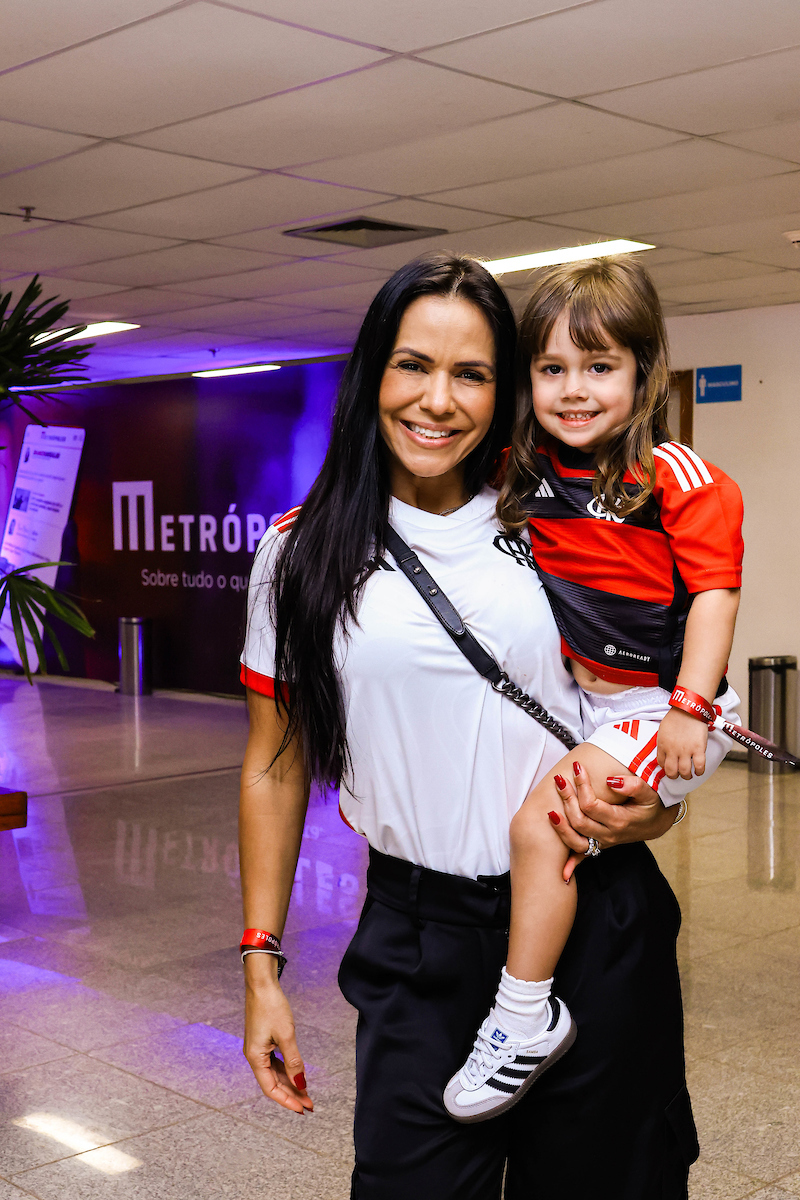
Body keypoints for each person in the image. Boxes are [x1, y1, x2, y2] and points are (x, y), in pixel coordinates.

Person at [238, 252, 696, 1200]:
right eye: (414, 365)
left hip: (592, 919)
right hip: (419, 940)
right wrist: (261, 965)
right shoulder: (299, 552)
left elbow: (642, 695)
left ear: (505, 391)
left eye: (472, 373)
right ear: (374, 373)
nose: (437, 401)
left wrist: (653, 810)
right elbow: (275, 766)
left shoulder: (556, 524)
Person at [445, 255, 743, 1123]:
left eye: (600, 366)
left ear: (644, 373)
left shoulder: (680, 479)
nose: (574, 390)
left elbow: (715, 598)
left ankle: (523, 1018)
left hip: (667, 706)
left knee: (541, 828)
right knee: (552, 829)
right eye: (551, 369)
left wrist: (689, 709)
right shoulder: (529, 472)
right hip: (587, 700)